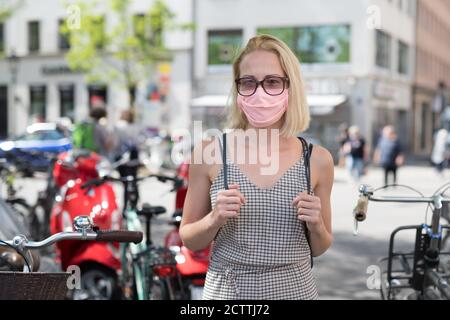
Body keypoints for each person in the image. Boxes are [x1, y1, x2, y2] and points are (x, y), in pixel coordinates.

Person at [180, 35, 334, 300]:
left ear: (290, 87)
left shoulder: (317, 159)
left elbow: (319, 247)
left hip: (295, 292)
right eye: (248, 82)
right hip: (228, 294)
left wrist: (317, 224)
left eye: (272, 82)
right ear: (237, 89)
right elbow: (190, 239)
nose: (259, 92)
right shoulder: (209, 152)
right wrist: (214, 218)